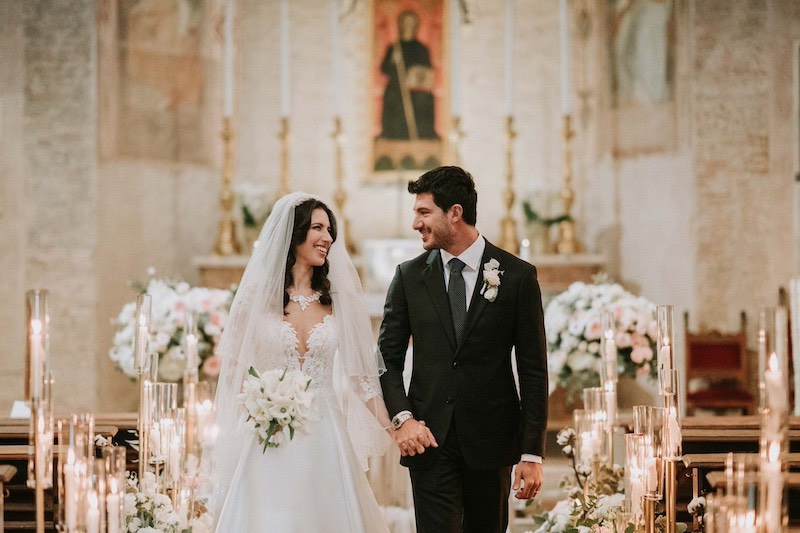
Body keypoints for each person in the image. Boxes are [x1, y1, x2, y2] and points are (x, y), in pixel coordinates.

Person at [378, 166, 549, 533]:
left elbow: (533, 370)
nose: (415, 223)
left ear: (454, 213)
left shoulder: (517, 276)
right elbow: (386, 360)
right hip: (428, 438)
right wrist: (402, 419)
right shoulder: (409, 277)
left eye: (423, 212)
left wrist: (531, 453)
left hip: (492, 441)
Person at [211, 192, 393, 532]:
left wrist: (393, 427)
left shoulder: (335, 299)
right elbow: (235, 368)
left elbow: (360, 378)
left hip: (326, 433)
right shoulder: (257, 297)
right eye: (318, 228)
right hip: (268, 433)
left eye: (330, 230)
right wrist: (248, 415)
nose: (328, 238)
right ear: (294, 235)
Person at [378, 10, 438, 140]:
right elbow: (384, 69)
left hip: (415, 89)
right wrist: (393, 60)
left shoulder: (421, 48)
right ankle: (392, 135)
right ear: (401, 25)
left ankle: (423, 135)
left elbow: (426, 71)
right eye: (405, 23)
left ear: (415, 26)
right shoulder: (394, 48)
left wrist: (415, 78)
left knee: (425, 99)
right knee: (392, 97)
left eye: (411, 23)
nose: (408, 26)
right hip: (396, 86)